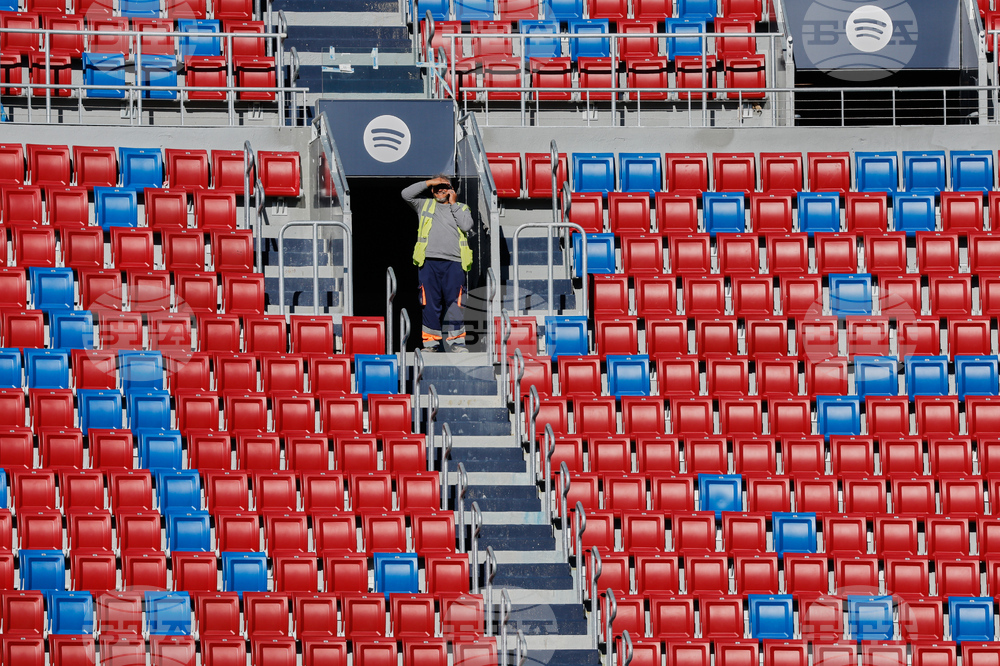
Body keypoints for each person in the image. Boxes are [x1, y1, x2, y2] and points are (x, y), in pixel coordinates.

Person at [402, 175, 474, 352]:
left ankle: (457, 343)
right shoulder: (424, 205)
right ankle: (431, 344)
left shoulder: (462, 207)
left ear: (451, 189)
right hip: (429, 262)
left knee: (455, 304)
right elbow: (406, 194)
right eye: (437, 187)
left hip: (454, 263)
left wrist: (454, 203)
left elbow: (466, 226)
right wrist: (429, 182)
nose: (440, 190)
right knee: (429, 303)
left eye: (444, 187)